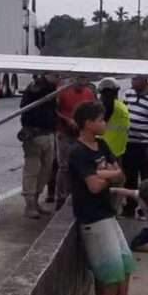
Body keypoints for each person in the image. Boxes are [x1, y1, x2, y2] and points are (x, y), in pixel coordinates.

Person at [69, 100, 148, 295]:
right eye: (101, 120)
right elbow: (93, 186)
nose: (105, 124)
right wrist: (109, 174)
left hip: (107, 213)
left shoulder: (102, 145)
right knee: (110, 270)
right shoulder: (79, 152)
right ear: (88, 124)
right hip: (93, 217)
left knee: (124, 265)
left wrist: (104, 173)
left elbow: (119, 175)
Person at [122, 75, 148, 218]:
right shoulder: (129, 93)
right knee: (130, 177)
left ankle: (146, 209)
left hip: (145, 144)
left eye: (136, 79)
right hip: (129, 143)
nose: (132, 82)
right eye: (132, 79)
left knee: (146, 178)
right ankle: (129, 208)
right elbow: (123, 113)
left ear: (145, 80)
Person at [19, 72, 58, 219]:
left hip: (49, 133)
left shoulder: (53, 88)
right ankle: (29, 204)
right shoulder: (36, 87)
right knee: (32, 170)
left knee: (46, 170)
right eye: (56, 75)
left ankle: (35, 200)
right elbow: (33, 92)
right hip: (34, 134)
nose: (59, 77)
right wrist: (40, 83)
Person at [54, 76, 95, 210]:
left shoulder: (88, 93)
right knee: (64, 166)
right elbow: (55, 110)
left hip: (81, 134)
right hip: (65, 133)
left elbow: (92, 111)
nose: (82, 82)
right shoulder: (62, 91)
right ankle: (61, 198)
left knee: (81, 166)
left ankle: (76, 196)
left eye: (84, 79)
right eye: (79, 78)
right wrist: (67, 120)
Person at [97, 77, 130, 160]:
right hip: (114, 151)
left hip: (107, 152)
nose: (107, 97)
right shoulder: (122, 107)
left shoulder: (105, 107)